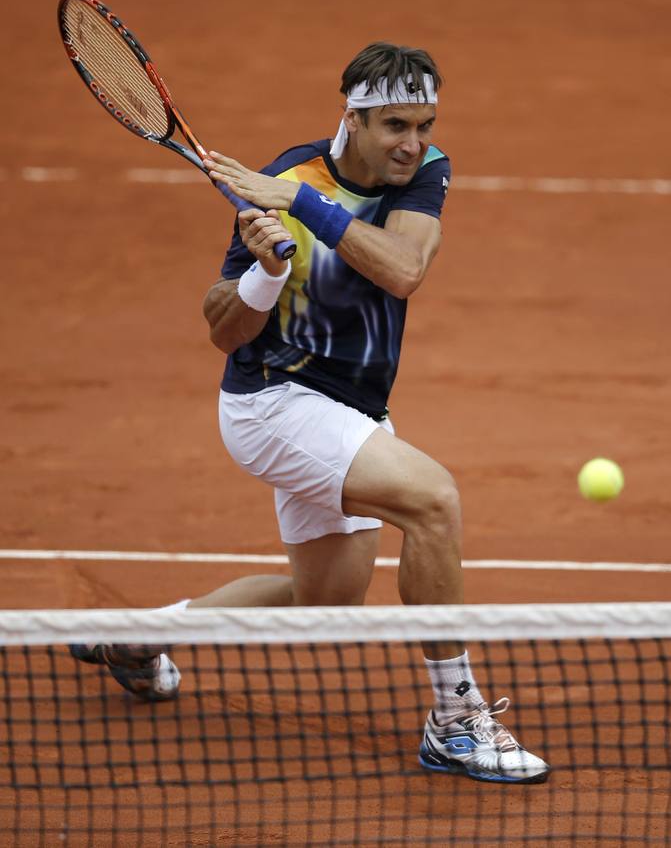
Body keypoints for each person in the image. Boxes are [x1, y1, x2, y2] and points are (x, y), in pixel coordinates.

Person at [71, 43, 549, 785]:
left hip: (351, 408)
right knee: (432, 502)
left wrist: (304, 209)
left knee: (322, 601)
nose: (412, 142)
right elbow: (222, 329)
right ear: (351, 119)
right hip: (273, 403)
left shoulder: (404, 174)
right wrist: (264, 273)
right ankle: (455, 723)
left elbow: (402, 268)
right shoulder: (286, 177)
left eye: (423, 123)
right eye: (394, 124)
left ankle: (138, 637)